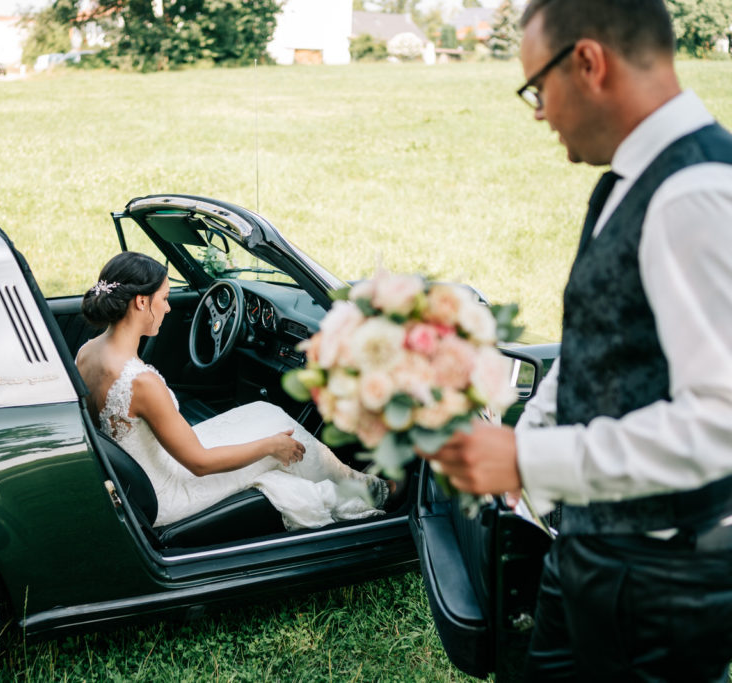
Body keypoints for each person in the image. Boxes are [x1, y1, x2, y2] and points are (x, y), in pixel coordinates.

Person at [422, 0, 732, 680]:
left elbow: (719, 427)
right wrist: (525, 445)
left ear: (589, 62)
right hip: (587, 547)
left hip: (659, 578)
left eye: (538, 87)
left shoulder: (696, 195)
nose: (539, 112)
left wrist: (531, 456)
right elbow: (596, 340)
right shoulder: (625, 183)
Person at [75, 251, 390, 530]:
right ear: (142, 302)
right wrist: (270, 447)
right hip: (167, 491)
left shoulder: (87, 352)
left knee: (267, 414)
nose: (169, 308)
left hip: (138, 476)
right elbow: (199, 463)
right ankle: (370, 490)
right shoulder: (140, 382)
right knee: (283, 440)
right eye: (165, 297)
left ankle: (356, 484)